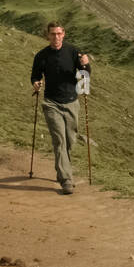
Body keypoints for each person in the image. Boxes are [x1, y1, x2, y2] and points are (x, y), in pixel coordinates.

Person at [30, 21, 90, 194]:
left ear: (63, 34)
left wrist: (86, 64)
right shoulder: (41, 56)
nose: (56, 37)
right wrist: (36, 83)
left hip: (71, 102)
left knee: (70, 141)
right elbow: (35, 75)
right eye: (52, 34)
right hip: (51, 103)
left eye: (59, 33)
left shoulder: (73, 52)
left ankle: (62, 170)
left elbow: (84, 74)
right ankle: (66, 179)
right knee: (60, 140)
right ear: (47, 36)